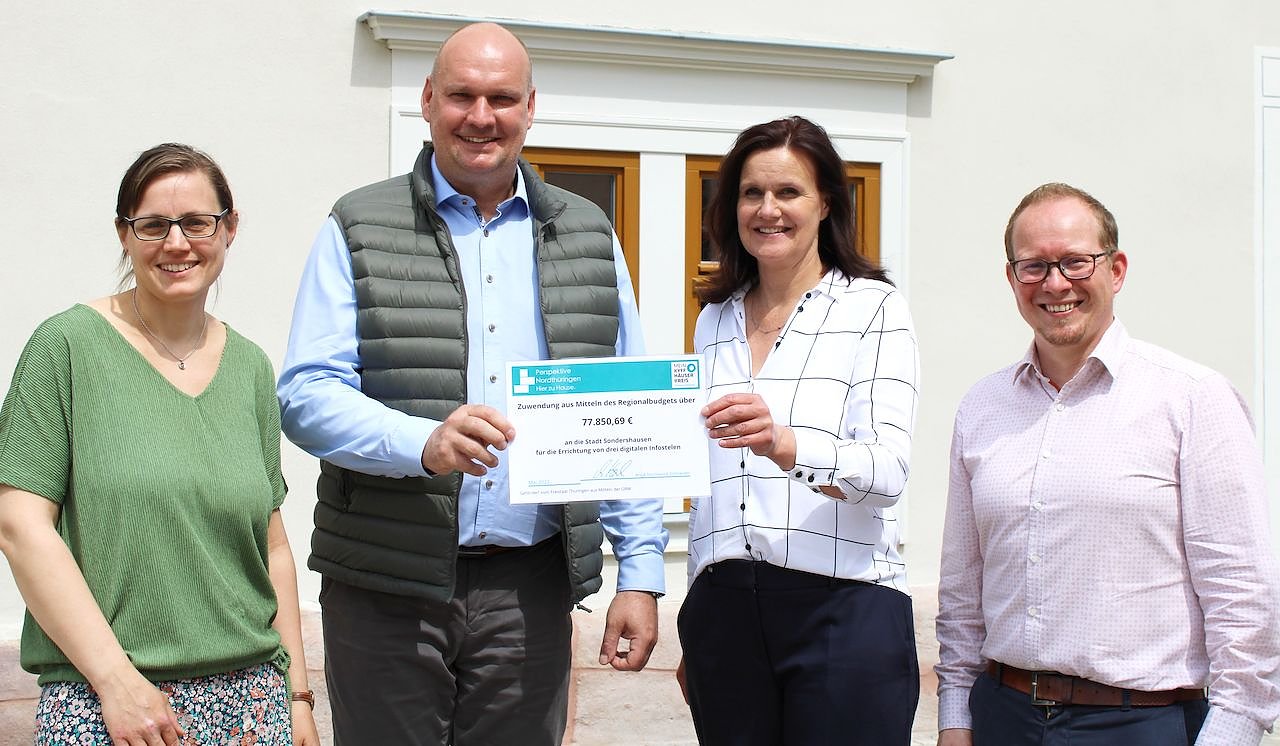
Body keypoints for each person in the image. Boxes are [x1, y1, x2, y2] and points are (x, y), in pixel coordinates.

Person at [277, 21, 667, 746]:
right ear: (428, 99)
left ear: (530, 107)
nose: (481, 117)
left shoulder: (588, 233)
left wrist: (640, 571)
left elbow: (624, 411)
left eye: (502, 98)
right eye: (461, 95)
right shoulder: (357, 224)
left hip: (529, 590)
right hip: (385, 585)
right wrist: (423, 443)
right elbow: (305, 395)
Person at [935, 182, 1280, 745]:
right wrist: (955, 716)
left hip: (1141, 723)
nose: (1055, 283)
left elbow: (1242, 594)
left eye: (1076, 261)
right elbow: (962, 590)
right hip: (1003, 717)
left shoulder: (1193, 398)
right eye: (1034, 266)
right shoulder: (983, 407)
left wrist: (1232, 733)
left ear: (1116, 270)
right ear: (1012, 279)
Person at [0, 143, 320, 745]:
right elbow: (20, 527)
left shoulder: (250, 366)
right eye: (152, 225)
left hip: (253, 701)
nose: (177, 243)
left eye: (197, 222)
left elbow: (271, 544)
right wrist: (117, 683)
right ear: (124, 235)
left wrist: (298, 698)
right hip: (106, 703)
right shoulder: (65, 347)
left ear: (229, 228)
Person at [676, 116, 921, 746]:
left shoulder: (875, 308)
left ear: (826, 203)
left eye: (788, 192)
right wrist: (697, 613)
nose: (768, 210)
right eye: (751, 193)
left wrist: (785, 444)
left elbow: (888, 472)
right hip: (725, 613)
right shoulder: (714, 319)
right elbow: (706, 480)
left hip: (845, 608)